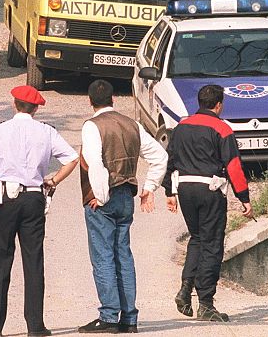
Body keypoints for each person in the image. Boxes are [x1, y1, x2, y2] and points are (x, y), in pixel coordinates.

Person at [49, 79, 167, 334]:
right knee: (123, 254)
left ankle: (109, 316)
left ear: (90, 102)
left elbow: (95, 164)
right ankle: (130, 317)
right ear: (113, 99)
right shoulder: (132, 124)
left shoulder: (92, 127)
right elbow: (160, 156)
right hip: (127, 194)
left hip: (105, 196)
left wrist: (100, 196)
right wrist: (149, 187)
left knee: (103, 257)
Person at [0, 85, 79, 337]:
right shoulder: (46, 132)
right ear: (36, 108)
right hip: (33, 198)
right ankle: (35, 326)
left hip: (5, 200)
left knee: (0, 261)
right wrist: (53, 180)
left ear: (14, 104)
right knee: (33, 260)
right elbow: (72, 158)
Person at [165, 84, 254, 322]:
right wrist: (243, 197)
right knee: (212, 243)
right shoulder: (222, 129)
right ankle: (206, 304)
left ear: (200, 102)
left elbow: (170, 159)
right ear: (219, 104)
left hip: (185, 188)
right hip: (210, 189)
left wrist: (168, 191)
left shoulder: (181, 126)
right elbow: (234, 166)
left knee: (197, 238)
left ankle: (185, 289)